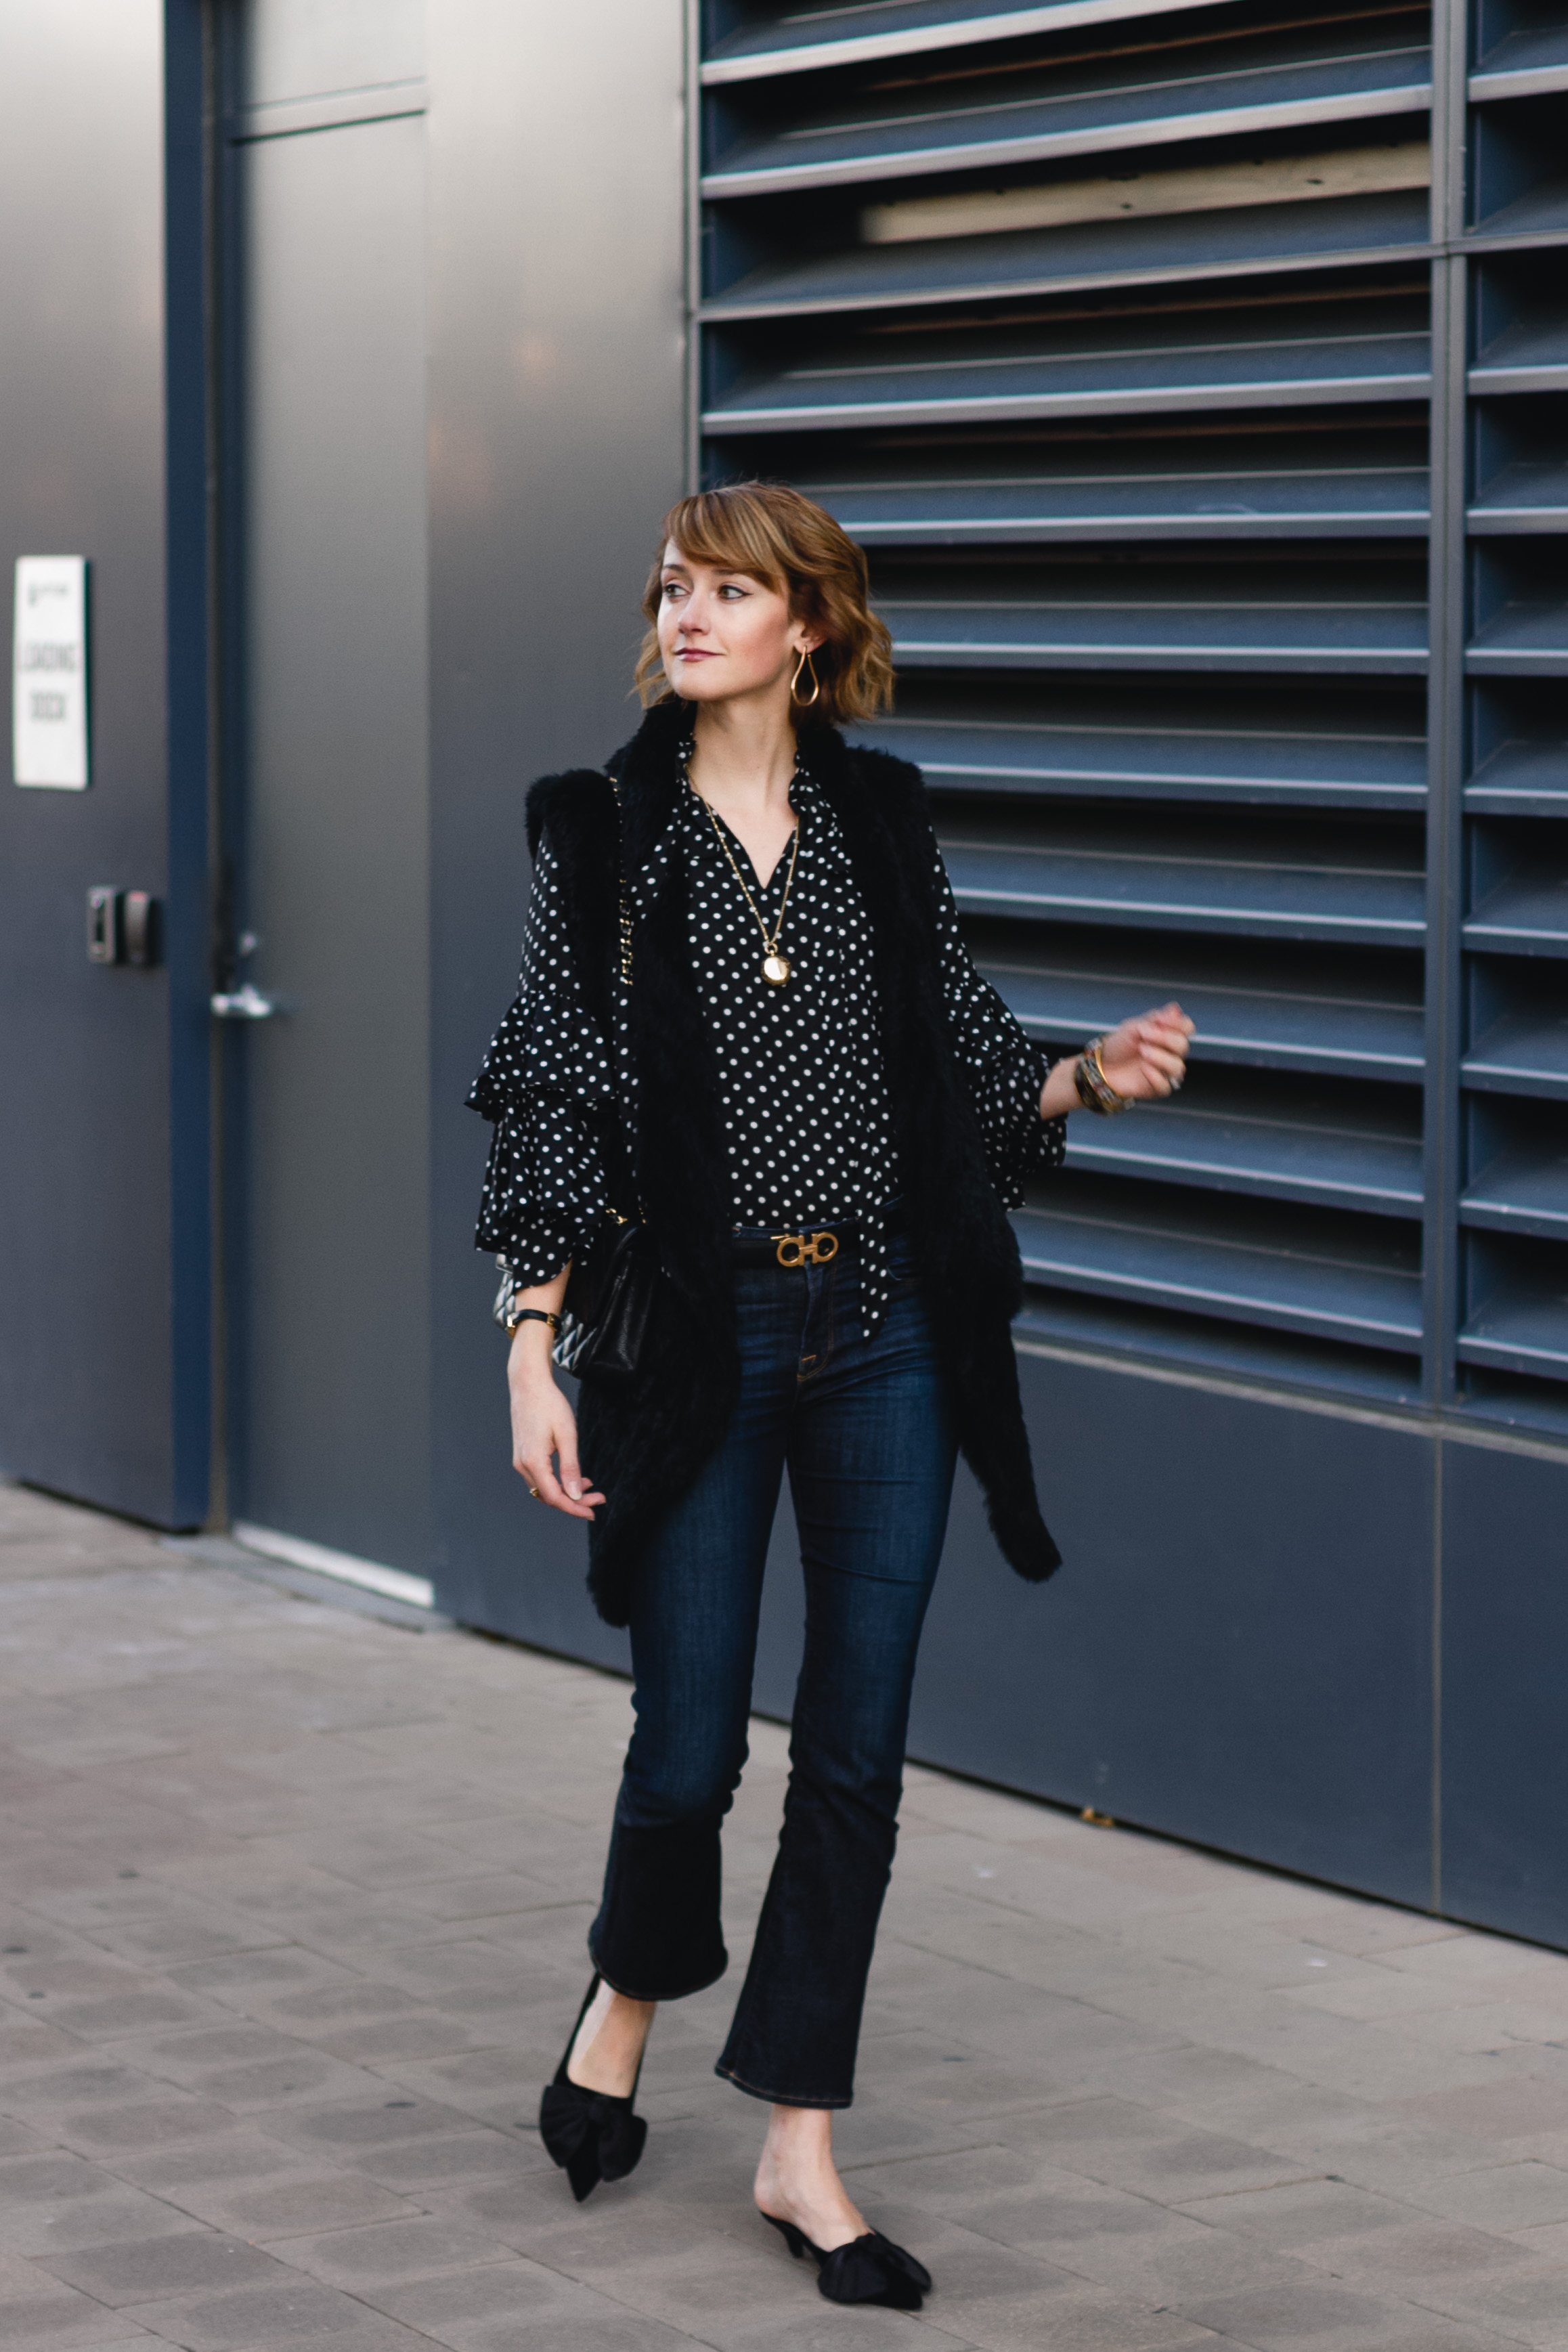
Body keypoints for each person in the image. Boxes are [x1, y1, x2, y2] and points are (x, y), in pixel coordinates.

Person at [469, 482, 1192, 2311]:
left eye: (729, 587)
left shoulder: (879, 816)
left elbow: (957, 1055)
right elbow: (555, 1087)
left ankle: (800, 2140)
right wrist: (530, 1337)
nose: (687, 610)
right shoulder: (604, 830)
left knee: (854, 1750)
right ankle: (628, 1992)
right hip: (697, 1338)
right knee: (691, 1744)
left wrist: (1081, 1083)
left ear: (807, 622)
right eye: (671, 584)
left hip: (878, 1330)